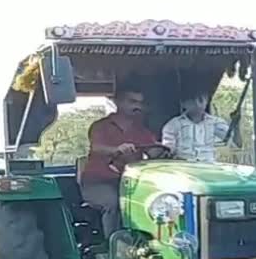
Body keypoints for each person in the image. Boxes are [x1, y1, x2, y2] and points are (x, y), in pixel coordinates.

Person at [80, 86, 157, 235]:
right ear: (118, 102)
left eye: (140, 103)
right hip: (98, 182)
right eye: (132, 101)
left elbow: (153, 149)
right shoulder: (100, 126)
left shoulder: (141, 130)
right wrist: (116, 149)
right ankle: (114, 247)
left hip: (131, 184)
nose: (137, 106)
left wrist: (161, 151)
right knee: (114, 203)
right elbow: (97, 147)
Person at [160, 92, 242, 162]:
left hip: (209, 169)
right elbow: (168, 152)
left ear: (206, 101)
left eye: (201, 98)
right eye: (192, 98)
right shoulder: (173, 125)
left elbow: (236, 144)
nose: (197, 102)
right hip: (183, 171)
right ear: (183, 104)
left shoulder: (215, 123)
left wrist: (236, 125)